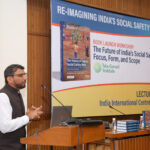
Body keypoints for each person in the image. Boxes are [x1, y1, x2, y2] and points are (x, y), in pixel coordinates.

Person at [0, 64, 43, 150]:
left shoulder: (17, 93)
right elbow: (4, 127)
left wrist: (30, 117)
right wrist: (27, 117)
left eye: (25, 75)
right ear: (9, 79)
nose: (25, 78)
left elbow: (16, 121)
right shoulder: (3, 96)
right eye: (20, 75)